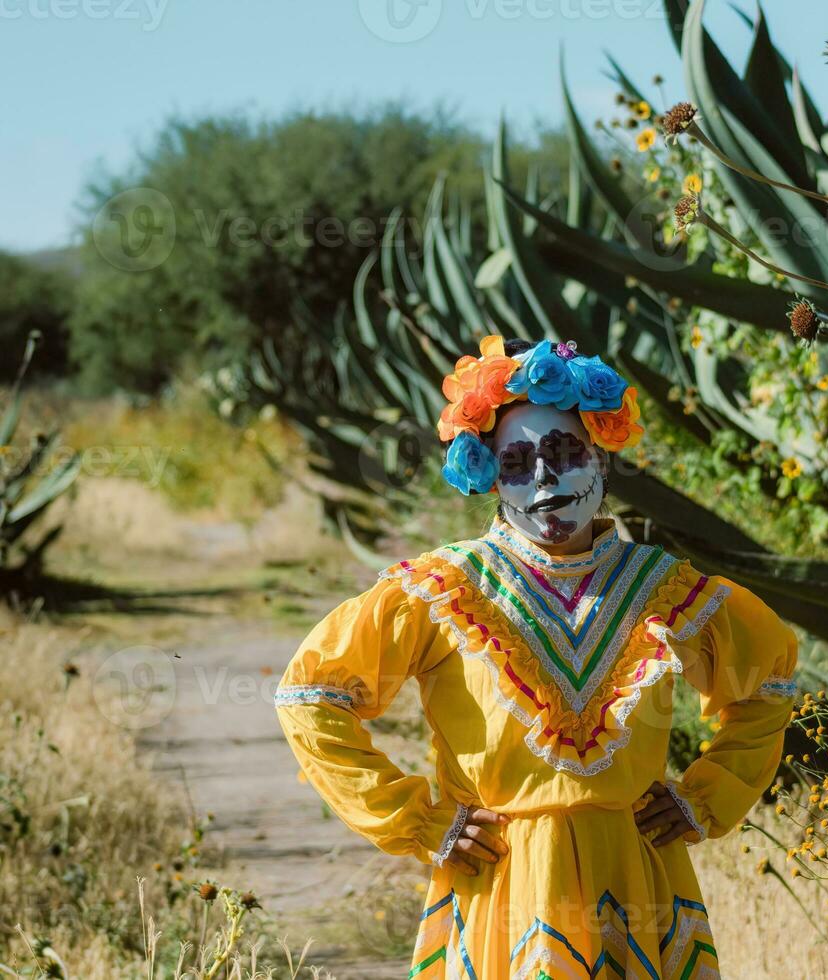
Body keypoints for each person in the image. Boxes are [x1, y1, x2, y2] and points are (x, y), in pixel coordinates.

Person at [275, 335, 798, 978]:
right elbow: (312, 696)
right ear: (488, 473)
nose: (545, 480)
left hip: (636, 879)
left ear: (602, 459)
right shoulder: (444, 589)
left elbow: (766, 688)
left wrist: (705, 798)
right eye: (516, 463)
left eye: (563, 451)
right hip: (502, 884)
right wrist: (420, 820)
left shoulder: (664, 589)